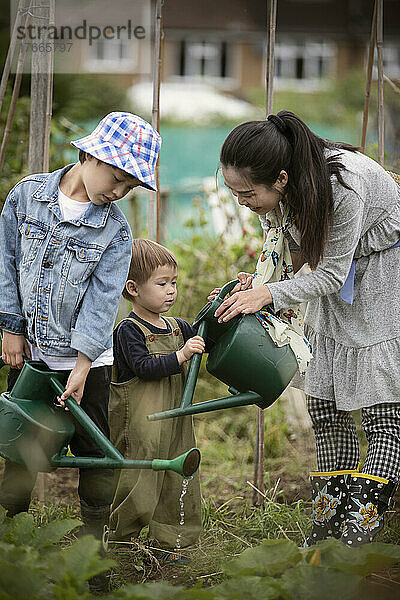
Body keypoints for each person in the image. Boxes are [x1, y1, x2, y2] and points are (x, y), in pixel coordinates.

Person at [212, 110, 400, 547]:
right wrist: (261, 283)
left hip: (381, 276)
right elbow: (284, 249)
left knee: (382, 415)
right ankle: (326, 531)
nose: (242, 201)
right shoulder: (277, 193)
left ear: (280, 178)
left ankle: (359, 536)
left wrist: (271, 296)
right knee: (324, 408)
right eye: (233, 191)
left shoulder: (342, 186)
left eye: (246, 193)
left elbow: (332, 274)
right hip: (335, 279)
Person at [0, 112, 161, 590]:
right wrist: (9, 328)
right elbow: (6, 263)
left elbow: (103, 301)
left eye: (129, 187)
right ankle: (13, 540)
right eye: (116, 178)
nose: (118, 192)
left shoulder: (114, 232)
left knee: (96, 451)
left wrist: (85, 361)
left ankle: (92, 549)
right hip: (30, 355)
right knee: (22, 448)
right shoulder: (27, 196)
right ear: (90, 155)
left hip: (88, 363)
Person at [108, 238, 203, 559]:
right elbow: (144, 368)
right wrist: (181, 356)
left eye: (174, 282)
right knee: (140, 478)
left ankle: (169, 541)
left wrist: (219, 306)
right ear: (133, 288)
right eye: (162, 284)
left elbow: (208, 340)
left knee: (179, 476)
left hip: (176, 418)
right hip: (140, 423)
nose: (171, 291)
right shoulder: (128, 330)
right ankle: (122, 540)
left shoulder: (179, 327)